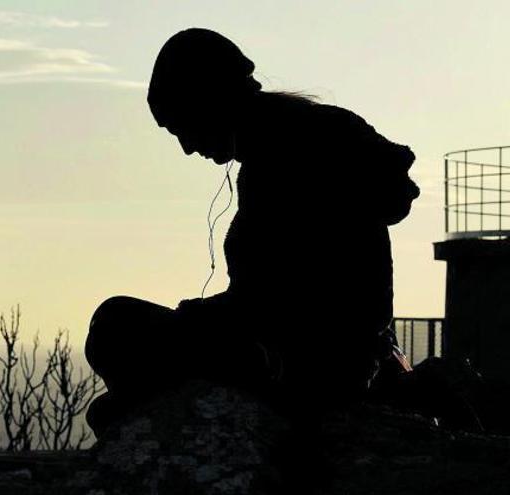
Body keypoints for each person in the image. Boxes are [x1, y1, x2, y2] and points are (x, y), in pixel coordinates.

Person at [85, 28, 420, 436]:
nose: (188, 148)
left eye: (181, 128)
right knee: (116, 370)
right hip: (323, 353)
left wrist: (204, 318)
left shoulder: (284, 158)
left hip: (304, 363)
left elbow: (281, 296)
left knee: (117, 324)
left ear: (207, 102)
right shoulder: (294, 143)